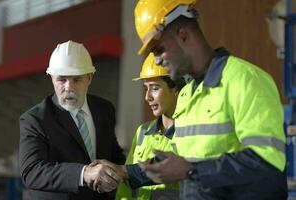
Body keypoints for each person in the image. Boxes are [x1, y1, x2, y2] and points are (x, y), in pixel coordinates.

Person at [134, 0, 287, 199]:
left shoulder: (245, 80)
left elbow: (268, 160)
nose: (156, 60)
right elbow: (193, 166)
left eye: (159, 49)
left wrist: (191, 169)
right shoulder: (187, 95)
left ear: (183, 35)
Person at [19, 40, 126, 200]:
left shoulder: (104, 109)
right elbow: (32, 171)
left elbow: (114, 154)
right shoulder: (35, 120)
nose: (69, 87)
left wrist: (123, 171)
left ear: (89, 78)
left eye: (76, 79)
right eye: (61, 80)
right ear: (52, 78)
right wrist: (84, 173)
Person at [111, 53, 185, 200]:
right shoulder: (143, 132)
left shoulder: (190, 133)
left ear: (175, 88)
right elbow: (125, 186)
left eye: (155, 88)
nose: (147, 97)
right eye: (146, 88)